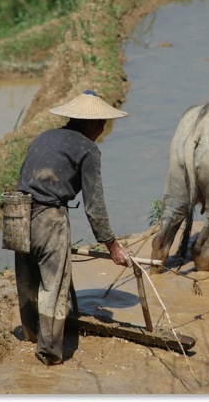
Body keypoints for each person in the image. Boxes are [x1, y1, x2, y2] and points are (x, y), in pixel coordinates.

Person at [14, 89, 133, 366]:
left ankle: (31, 334)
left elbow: (26, 176)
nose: (103, 129)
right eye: (102, 123)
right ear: (91, 122)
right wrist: (113, 246)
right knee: (54, 288)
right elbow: (95, 206)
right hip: (49, 218)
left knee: (28, 280)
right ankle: (49, 354)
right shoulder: (88, 149)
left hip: (17, 213)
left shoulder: (44, 138)